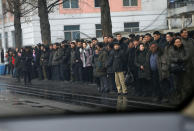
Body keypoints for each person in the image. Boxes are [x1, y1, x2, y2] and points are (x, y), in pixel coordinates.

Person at [168, 37, 190, 102]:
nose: (178, 43)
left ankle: (185, 96)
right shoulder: (171, 50)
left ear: (181, 42)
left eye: (179, 41)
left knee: (185, 83)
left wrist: (182, 59)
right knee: (176, 84)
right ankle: (179, 96)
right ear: (174, 43)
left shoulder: (185, 48)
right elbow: (170, 57)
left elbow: (187, 56)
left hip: (184, 68)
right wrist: (177, 60)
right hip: (176, 69)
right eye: (176, 42)